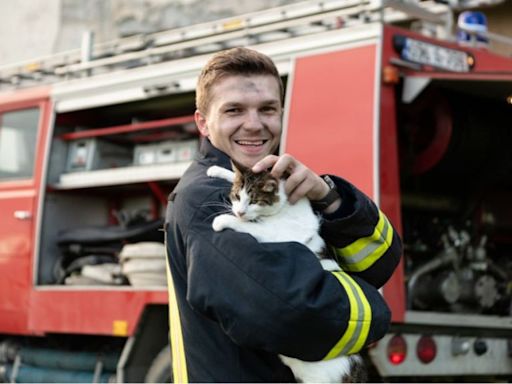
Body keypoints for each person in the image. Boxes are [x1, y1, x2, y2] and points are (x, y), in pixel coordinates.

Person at [164, 47, 402, 383]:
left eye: (267, 109)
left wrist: (329, 199)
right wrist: (377, 313)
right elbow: (298, 314)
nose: (254, 123)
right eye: (234, 110)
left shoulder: (278, 183)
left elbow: (380, 261)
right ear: (203, 123)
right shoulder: (210, 199)